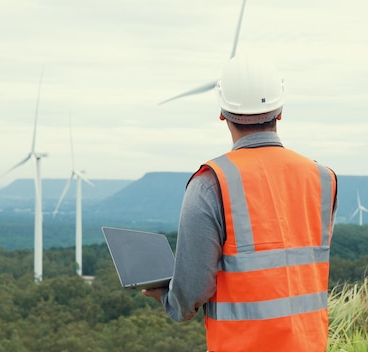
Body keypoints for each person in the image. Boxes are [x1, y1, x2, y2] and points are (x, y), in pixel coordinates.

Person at [143, 53, 338, 352]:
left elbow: (193, 288)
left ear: (223, 112)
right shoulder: (323, 178)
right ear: (280, 110)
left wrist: (171, 300)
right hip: (310, 344)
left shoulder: (210, 183)